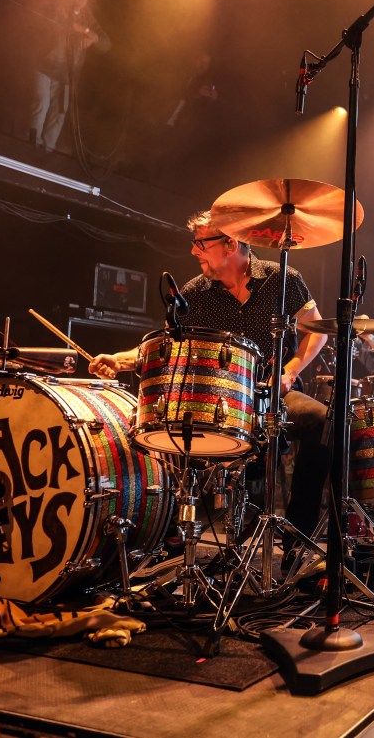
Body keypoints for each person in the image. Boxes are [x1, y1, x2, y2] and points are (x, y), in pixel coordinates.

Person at [88, 211, 331, 558]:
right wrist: (120, 360)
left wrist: (289, 370)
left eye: (201, 243)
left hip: (270, 394)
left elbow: (315, 330)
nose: (193, 251)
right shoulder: (195, 293)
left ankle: (298, 540)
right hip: (217, 401)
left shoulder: (282, 279)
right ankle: (170, 531)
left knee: (323, 422)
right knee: (161, 424)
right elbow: (165, 345)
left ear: (230, 244)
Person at [28, 0, 111, 152]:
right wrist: (84, 31)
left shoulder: (88, 17)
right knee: (41, 103)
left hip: (67, 75)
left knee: (60, 113)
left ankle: (47, 150)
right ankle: (30, 145)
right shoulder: (59, 6)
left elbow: (106, 43)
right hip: (44, 66)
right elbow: (60, 23)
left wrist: (91, 37)